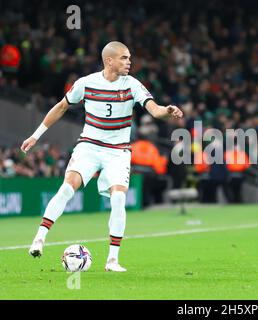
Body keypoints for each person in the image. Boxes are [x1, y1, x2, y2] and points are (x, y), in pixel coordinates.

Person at [21, 41, 183, 272]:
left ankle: (112, 260)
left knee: (118, 198)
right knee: (68, 187)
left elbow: (154, 109)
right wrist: (36, 135)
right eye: (124, 58)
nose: (129, 62)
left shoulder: (132, 85)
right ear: (109, 60)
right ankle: (39, 237)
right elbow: (61, 107)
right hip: (89, 146)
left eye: (129, 58)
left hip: (118, 151)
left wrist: (167, 110)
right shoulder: (86, 83)